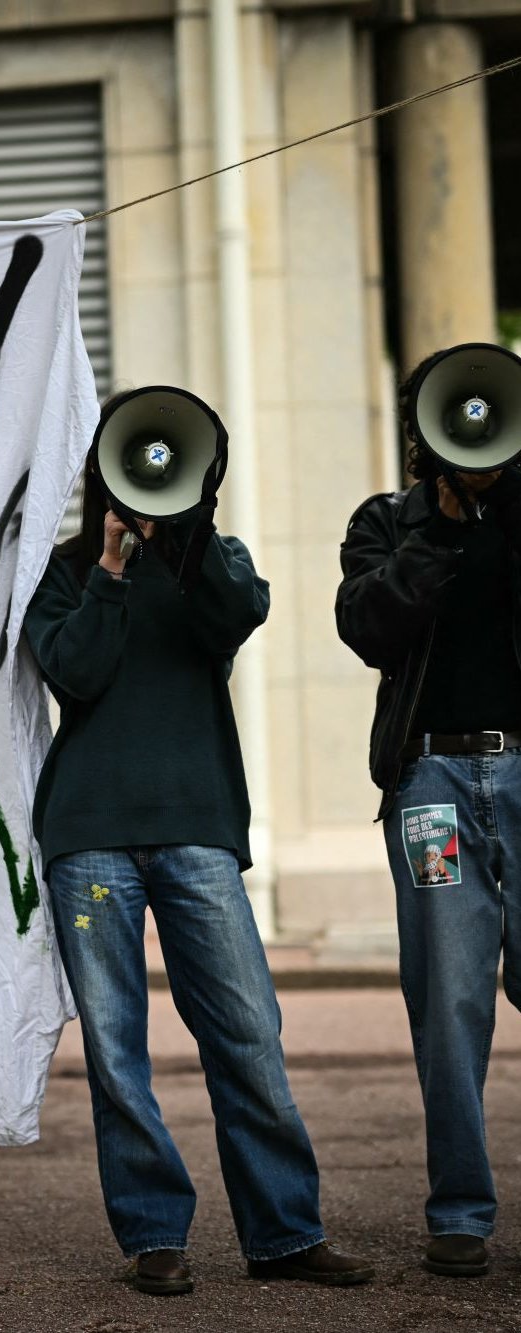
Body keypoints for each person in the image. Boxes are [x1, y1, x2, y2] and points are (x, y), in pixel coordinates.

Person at [24, 428, 372, 1295]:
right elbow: (72, 672)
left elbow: (233, 616)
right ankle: (153, 1234)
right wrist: (108, 568)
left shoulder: (216, 562)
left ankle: (285, 1232)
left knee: (247, 1035)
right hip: (90, 834)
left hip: (196, 827)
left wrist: (193, 532)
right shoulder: (63, 573)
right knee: (114, 1048)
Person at [335, 361, 521, 1278]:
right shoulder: (385, 523)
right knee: (448, 1002)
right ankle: (459, 1211)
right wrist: (439, 534)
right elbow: (367, 627)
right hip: (431, 787)